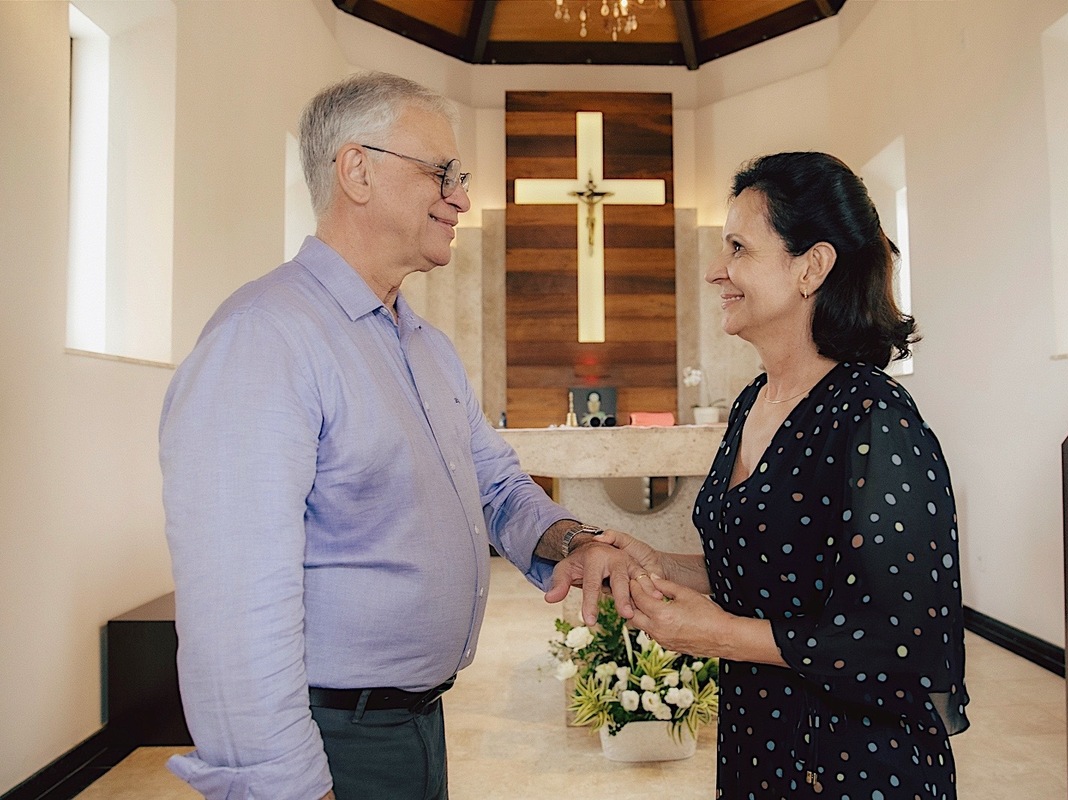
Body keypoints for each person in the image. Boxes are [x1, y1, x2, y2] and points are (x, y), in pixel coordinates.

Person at [159, 71, 638, 800]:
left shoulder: (426, 347)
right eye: (441, 172)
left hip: (416, 723)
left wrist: (572, 541)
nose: (461, 197)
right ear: (357, 170)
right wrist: (284, 786)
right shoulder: (267, 337)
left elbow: (498, 486)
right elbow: (235, 610)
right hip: (330, 739)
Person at [601, 152, 970, 798]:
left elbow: (898, 641)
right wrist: (655, 561)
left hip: (851, 764)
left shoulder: (873, 418)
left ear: (811, 267)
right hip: (760, 746)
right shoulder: (754, 402)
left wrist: (715, 634)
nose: (717, 271)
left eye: (739, 248)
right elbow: (767, 570)